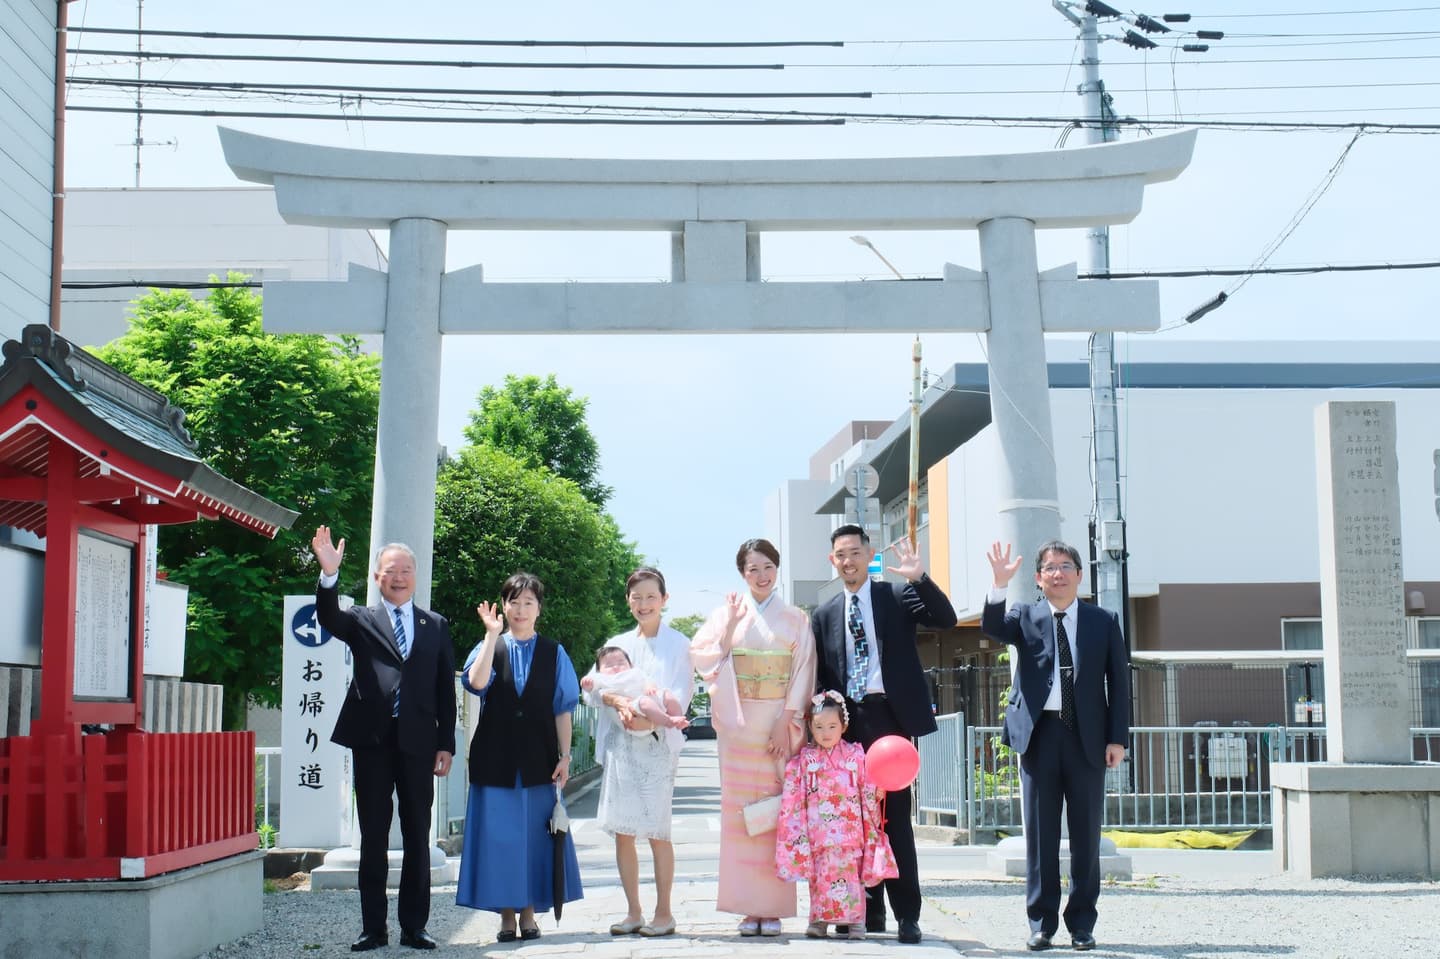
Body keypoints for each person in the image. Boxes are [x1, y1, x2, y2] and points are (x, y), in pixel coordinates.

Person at [309, 526, 456, 953]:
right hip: (372, 740)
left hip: (418, 744)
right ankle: (373, 928)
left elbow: (444, 689)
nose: (399, 576)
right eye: (391, 570)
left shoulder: (435, 625)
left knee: (417, 834)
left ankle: (415, 926)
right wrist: (329, 577)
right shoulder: (360, 619)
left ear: (415, 576)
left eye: (406, 570)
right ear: (377, 577)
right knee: (373, 836)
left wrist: (444, 743)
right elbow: (328, 618)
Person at [810, 524, 957, 945]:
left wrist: (919, 578)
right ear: (832, 560)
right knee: (852, 824)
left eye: (855, 552)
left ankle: (907, 914)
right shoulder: (824, 614)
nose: (848, 561)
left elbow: (945, 619)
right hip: (848, 727)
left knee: (894, 823)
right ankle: (865, 912)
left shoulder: (895, 596)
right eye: (841, 554)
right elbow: (823, 676)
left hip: (891, 725)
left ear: (868, 554)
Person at [982, 540, 1130, 953]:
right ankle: (1041, 923)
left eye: (1067, 566)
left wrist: (1118, 738)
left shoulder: (1103, 621)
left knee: (1086, 834)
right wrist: (998, 584)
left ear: (1080, 575)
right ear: (1039, 578)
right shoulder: (1026, 617)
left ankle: (1082, 923)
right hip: (1040, 736)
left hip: (1088, 738)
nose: (1059, 573)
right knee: (1041, 837)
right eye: (1050, 567)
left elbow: (1119, 683)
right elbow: (993, 628)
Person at [691, 538, 816, 937]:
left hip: (778, 723)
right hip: (739, 724)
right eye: (752, 569)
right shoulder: (727, 613)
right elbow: (706, 658)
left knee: (778, 814)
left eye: (768, 567)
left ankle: (773, 906)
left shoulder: (796, 617)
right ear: (741, 574)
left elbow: (804, 668)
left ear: (777, 569)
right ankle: (747, 906)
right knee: (739, 816)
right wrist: (728, 628)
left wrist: (788, 718)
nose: (761, 576)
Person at [455, 572, 583, 942]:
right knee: (499, 840)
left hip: (539, 759)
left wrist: (565, 756)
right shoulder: (490, 645)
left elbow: (563, 708)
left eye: (529, 602)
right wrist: (490, 634)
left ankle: (529, 913)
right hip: (494, 758)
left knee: (534, 839)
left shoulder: (554, 651)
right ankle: (506, 917)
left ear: (539, 608)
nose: (521, 609)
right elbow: (476, 684)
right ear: (504, 606)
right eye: (514, 601)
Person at [586, 567, 694, 938]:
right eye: (637, 597)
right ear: (628, 601)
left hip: (657, 747)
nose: (644, 604)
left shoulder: (679, 644)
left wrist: (647, 719)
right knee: (623, 832)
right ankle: (633, 911)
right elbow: (591, 689)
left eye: (651, 597)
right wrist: (618, 702)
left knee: (657, 832)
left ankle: (664, 913)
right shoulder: (616, 643)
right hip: (621, 748)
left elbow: (681, 693)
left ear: (664, 600)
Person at [776, 690, 898, 940]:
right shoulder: (806, 759)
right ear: (810, 726)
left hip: (850, 830)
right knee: (819, 878)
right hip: (818, 831)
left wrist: (877, 788)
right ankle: (819, 921)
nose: (825, 732)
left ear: (844, 726)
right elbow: (794, 790)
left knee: (852, 878)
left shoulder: (856, 755)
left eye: (832, 726)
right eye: (819, 726)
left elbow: (868, 783)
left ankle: (856, 923)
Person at [582, 645, 689, 732]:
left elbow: (647, 680)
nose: (615, 666)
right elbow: (591, 691)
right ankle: (668, 721)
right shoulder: (602, 678)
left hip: (649, 703)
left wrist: (649, 686)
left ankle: (679, 718)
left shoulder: (635, 672)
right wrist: (588, 685)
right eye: (609, 665)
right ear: (599, 670)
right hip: (631, 710)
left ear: (630, 665)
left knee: (666, 694)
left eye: (621, 663)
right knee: (644, 702)